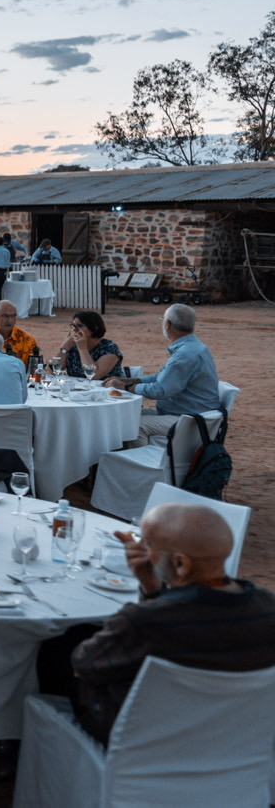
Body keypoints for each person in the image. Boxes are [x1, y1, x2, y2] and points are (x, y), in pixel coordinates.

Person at [64, 502, 275, 745]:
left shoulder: (143, 622)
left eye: (149, 544)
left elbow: (84, 663)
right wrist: (153, 590)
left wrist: (147, 604)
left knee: (60, 646)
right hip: (236, 737)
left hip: (145, 738)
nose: (141, 549)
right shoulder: (268, 607)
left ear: (180, 564)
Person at [104, 304, 221, 446]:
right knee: (125, 416)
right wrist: (132, 380)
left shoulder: (185, 354)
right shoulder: (193, 346)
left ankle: (141, 465)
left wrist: (126, 386)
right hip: (189, 412)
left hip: (190, 418)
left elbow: (160, 390)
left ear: (167, 325)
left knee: (135, 426)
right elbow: (164, 378)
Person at [60, 310, 123, 380]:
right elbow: (53, 371)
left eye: (79, 326)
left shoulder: (109, 347)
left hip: (104, 389)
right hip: (76, 388)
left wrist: (82, 349)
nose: (74, 330)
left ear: (94, 328)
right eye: (73, 326)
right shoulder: (72, 345)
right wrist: (64, 348)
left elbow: (93, 375)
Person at [0, 300, 37, 367]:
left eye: (13, 316)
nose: (10, 320)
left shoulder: (28, 341)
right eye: (5, 316)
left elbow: (33, 370)